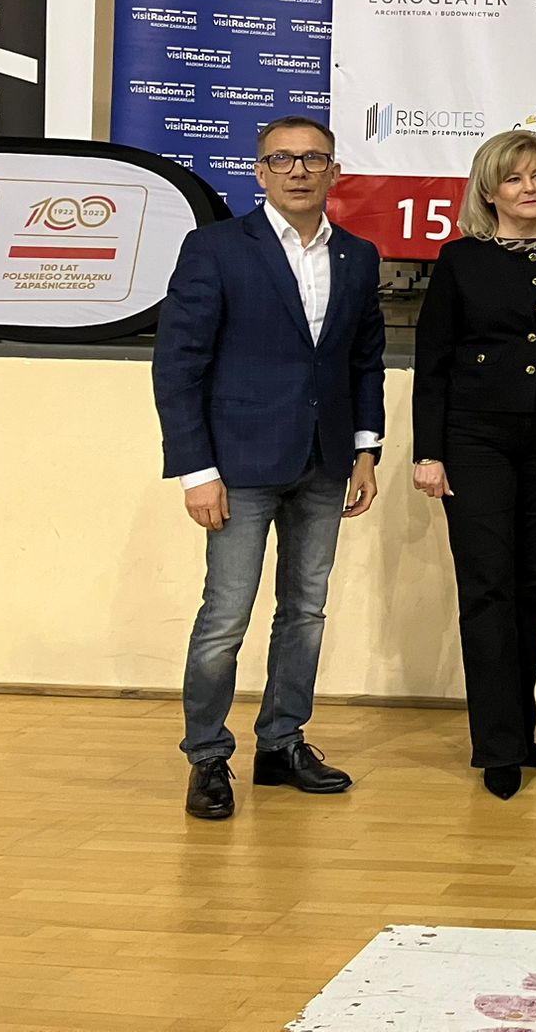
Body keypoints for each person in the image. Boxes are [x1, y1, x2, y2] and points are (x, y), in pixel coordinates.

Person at [153, 114, 384, 821]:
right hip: (238, 466)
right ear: (260, 172)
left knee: (305, 612)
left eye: (313, 159)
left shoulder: (358, 255)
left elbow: (364, 359)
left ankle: (282, 743)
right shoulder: (216, 248)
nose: (298, 171)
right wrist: (196, 470)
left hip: (325, 461)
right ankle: (207, 756)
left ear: (333, 171)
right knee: (225, 616)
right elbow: (178, 365)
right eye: (282, 159)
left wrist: (366, 449)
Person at [412, 131, 536, 800]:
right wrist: (428, 451)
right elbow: (432, 362)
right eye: (515, 178)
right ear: (489, 191)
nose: (530, 188)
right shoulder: (460, 261)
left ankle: (519, 729)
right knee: (488, 589)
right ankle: (496, 745)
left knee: (530, 586)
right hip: (475, 440)